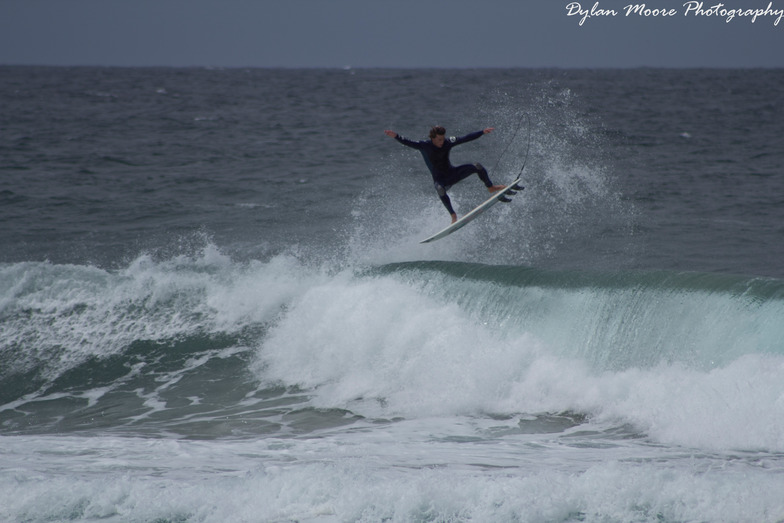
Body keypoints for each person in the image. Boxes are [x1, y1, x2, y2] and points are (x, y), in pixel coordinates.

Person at [384, 126, 507, 224]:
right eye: (439, 140)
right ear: (432, 138)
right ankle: (453, 215)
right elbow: (407, 142)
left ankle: (491, 187)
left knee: (477, 166)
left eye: (443, 139)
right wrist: (396, 136)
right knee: (440, 189)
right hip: (440, 180)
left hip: (452, 173)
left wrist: (482, 132)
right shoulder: (424, 145)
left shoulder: (447, 142)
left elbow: (465, 138)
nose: (442, 142)